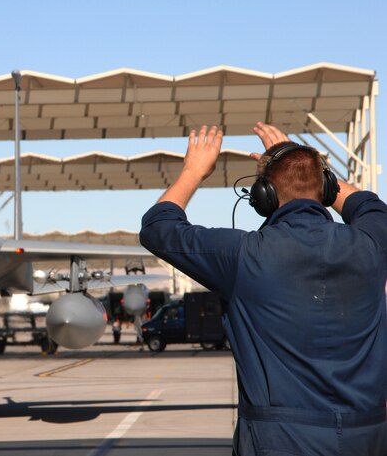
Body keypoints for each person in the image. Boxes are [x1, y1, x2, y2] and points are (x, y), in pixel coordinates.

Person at [139, 123, 386, 455]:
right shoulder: (371, 242)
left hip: (279, 442)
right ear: (326, 188)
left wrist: (194, 171)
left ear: (264, 197)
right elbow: (368, 207)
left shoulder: (243, 256)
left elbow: (158, 227)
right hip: (368, 437)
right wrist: (302, 162)